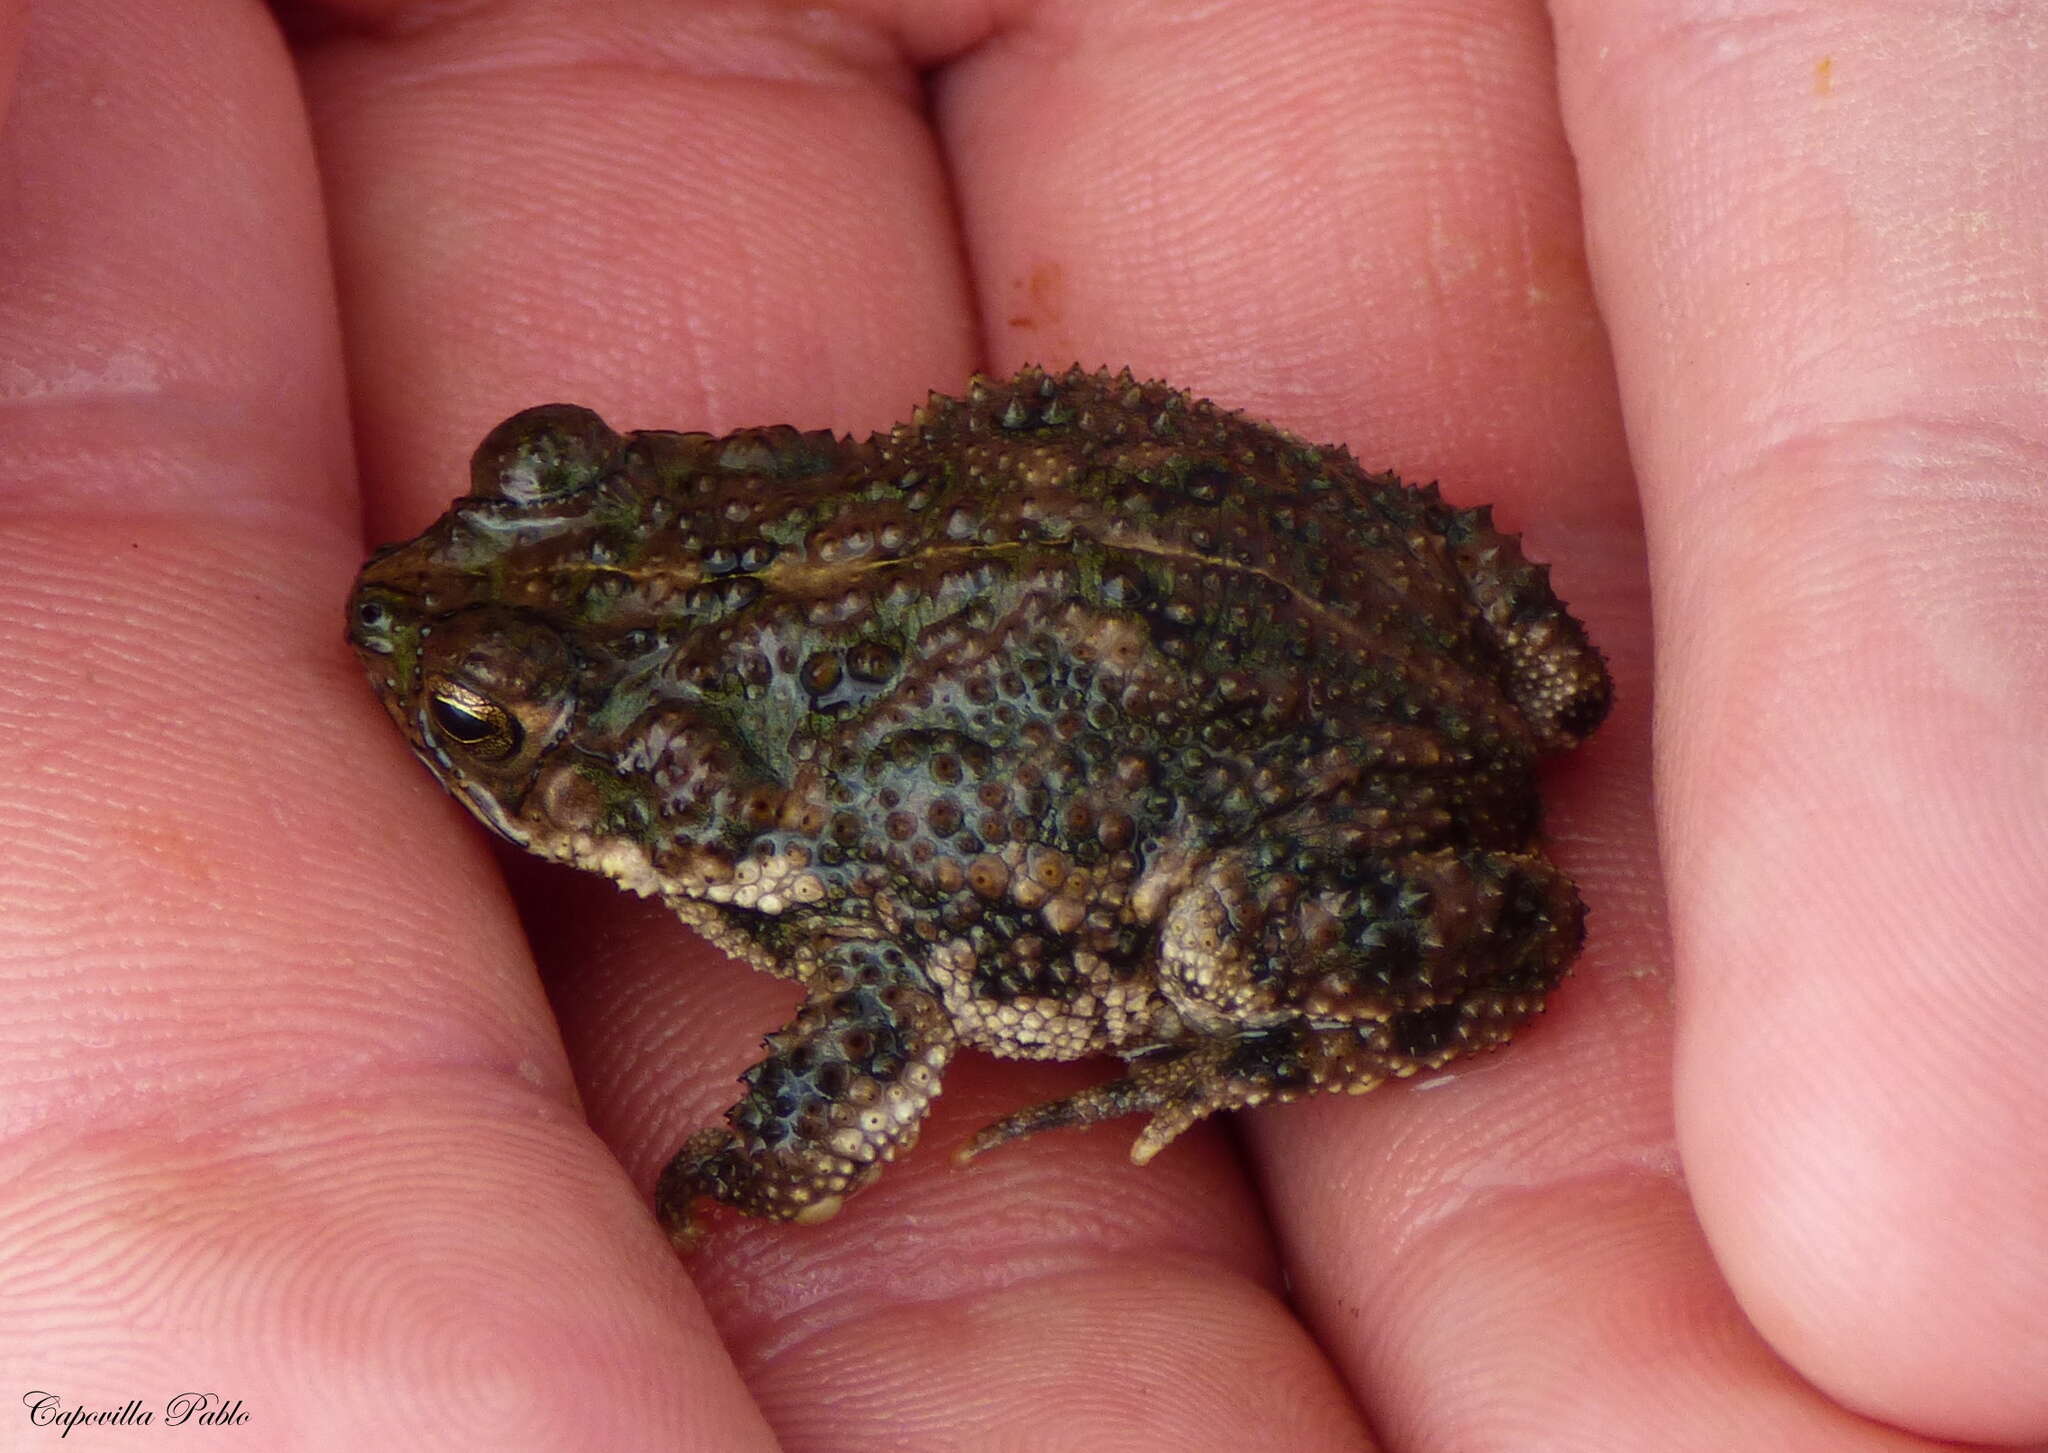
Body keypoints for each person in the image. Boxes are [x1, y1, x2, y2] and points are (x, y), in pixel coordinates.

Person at [1, 1, 2039, 1447]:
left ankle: (1254, 1002)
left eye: (485, 717)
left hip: (1313, 790)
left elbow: (881, 1011)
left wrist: (737, 1172)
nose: (429, 595)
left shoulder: (821, 851)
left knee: (1237, 927)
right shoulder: (794, 544)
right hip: (1401, 609)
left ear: (664, 797)